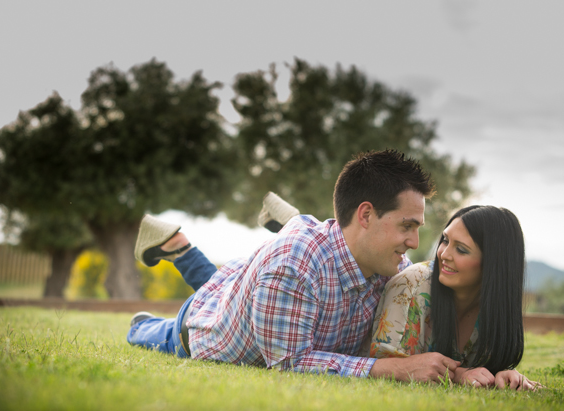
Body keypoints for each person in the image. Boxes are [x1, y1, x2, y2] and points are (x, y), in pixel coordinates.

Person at [127, 150, 461, 383]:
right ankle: (176, 250)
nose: (415, 243)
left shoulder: (387, 264)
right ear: (365, 215)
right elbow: (289, 363)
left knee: (289, 264)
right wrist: (391, 370)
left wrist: (465, 373)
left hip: (257, 286)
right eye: (407, 226)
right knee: (149, 331)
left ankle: (292, 223)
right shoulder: (293, 266)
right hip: (202, 324)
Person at [363, 205, 540, 390]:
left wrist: (499, 375)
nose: (444, 254)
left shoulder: (496, 304)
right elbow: (385, 367)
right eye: (445, 240)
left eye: (461, 250)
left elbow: (481, 371)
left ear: (493, 264)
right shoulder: (410, 284)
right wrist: (457, 375)